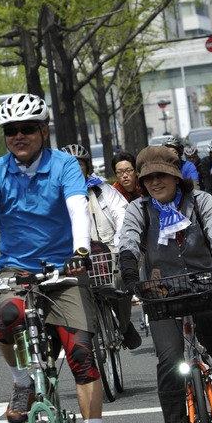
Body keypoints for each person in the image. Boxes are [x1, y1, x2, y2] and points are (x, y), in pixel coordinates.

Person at [0, 93, 113, 423]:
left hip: (63, 270)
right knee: (9, 314)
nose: (20, 136)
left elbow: (78, 208)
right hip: (15, 270)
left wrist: (80, 250)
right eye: (12, 131)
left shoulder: (64, 166)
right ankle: (22, 383)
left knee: (80, 354)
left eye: (28, 128)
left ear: (43, 130)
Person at [118, 145, 212, 423]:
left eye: (162, 175)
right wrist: (130, 274)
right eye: (149, 178)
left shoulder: (200, 201)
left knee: (211, 323)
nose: (156, 182)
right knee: (169, 360)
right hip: (161, 291)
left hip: (201, 282)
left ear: (176, 177)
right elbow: (128, 241)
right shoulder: (139, 210)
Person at [61, 143, 141, 351]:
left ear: (87, 167)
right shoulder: (55, 196)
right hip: (72, 258)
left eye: (79, 165)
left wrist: (122, 245)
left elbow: (122, 216)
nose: (74, 170)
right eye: (68, 166)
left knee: (120, 280)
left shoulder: (103, 190)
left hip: (108, 253)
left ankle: (124, 326)